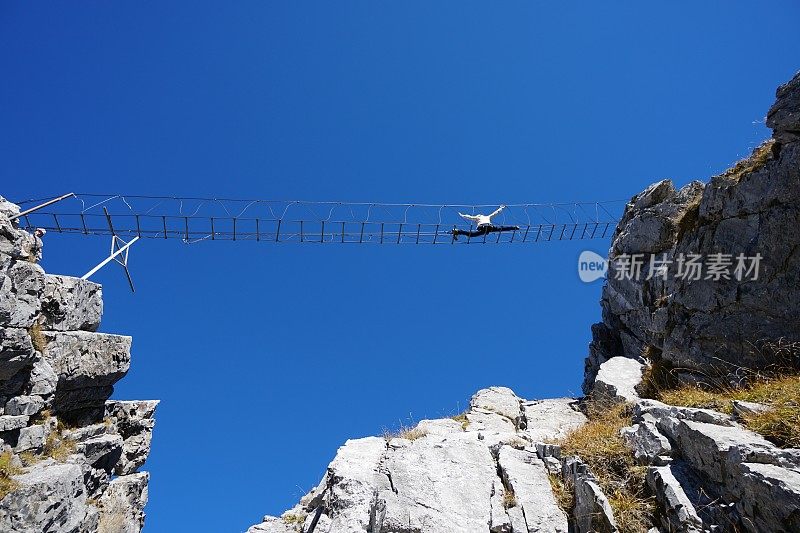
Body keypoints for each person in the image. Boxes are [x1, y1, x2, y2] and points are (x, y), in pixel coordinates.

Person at [451, 205, 520, 240]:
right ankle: (515, 227)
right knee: (501, 229)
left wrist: (462, 215)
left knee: (471, 234)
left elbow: (469, 217)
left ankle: (458, 231)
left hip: (483, 227)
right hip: (489, 227)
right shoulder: (488, 217)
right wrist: (501, 208)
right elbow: (495, 213)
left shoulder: (477, 217)